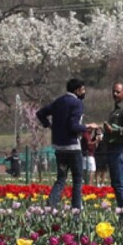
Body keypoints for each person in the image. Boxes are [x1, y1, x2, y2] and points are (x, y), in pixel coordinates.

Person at [37, 78, 87, 211]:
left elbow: (40, 113)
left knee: (61, 178)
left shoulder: (58, 102)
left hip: (59, 147)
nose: (84, 92)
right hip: (73, 147)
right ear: (77, 90)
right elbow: (73, 126)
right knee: (77, 179)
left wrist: (49, 125)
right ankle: (76, 209)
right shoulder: (77, 103)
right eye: (83, 89)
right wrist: (87, 127)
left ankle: (50, 206)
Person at [99, 82, 123, 209]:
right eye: (113, 91)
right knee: (115, 183)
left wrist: (115, 130)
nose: (114, 94)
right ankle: (122, 210)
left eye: (118, 92)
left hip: (120, 149)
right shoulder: (115, 109)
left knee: (120, 183)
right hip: (112, 149)